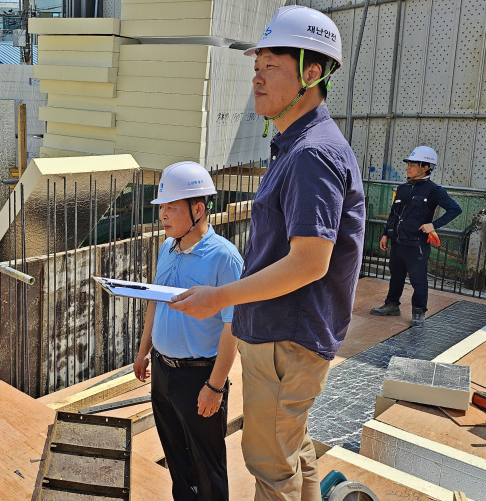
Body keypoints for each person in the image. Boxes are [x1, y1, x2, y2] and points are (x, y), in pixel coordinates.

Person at [167, 7, 365, 501]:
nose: (256, 79)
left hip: (286, 339)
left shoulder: (311, 154)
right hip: (283, 336)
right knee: (293, 453)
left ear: (311, 72)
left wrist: (219, 297)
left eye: (270, 67)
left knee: (269, 466)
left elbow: (309, 262)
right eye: (256, 68)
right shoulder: (295, 145)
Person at [133, 161, 243, 501]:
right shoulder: (167, 248)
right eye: (162, 208)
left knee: (207, 466)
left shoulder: (224, 258)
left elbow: (233, 326)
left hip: (199, 377)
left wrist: (216, 385)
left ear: (198, 209)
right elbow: (155, 301)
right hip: (163, 373)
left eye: (171, 208)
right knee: (177, 461)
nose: (163, 215)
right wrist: (143, 351)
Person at [370, 146, 462, 326]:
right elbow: (393, 213)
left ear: (425, 167)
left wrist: (433, 225)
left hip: (416, 244)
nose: (407, 167)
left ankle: (419, 311)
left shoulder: (434, 190)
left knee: (418, 279)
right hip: (398, 241)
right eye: (408, 164)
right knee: (395, 275)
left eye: (412, 164)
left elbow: (455, 209)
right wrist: (385, 234)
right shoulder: (403, 188)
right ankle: (392, 305)